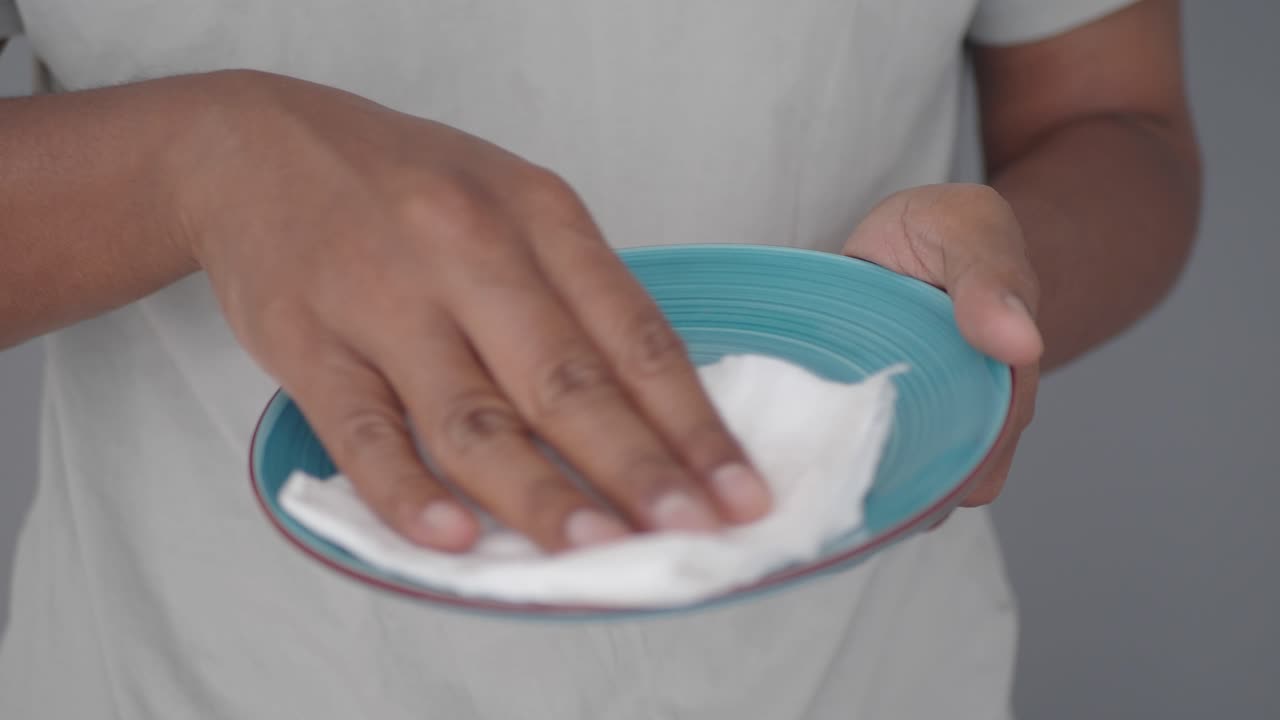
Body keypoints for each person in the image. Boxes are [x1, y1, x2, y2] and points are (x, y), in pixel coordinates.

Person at [0, 0, 1200, 718]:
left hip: (856, 676)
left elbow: (1113, 116)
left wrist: (992, 285)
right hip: (196, 678)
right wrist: (188, 168)